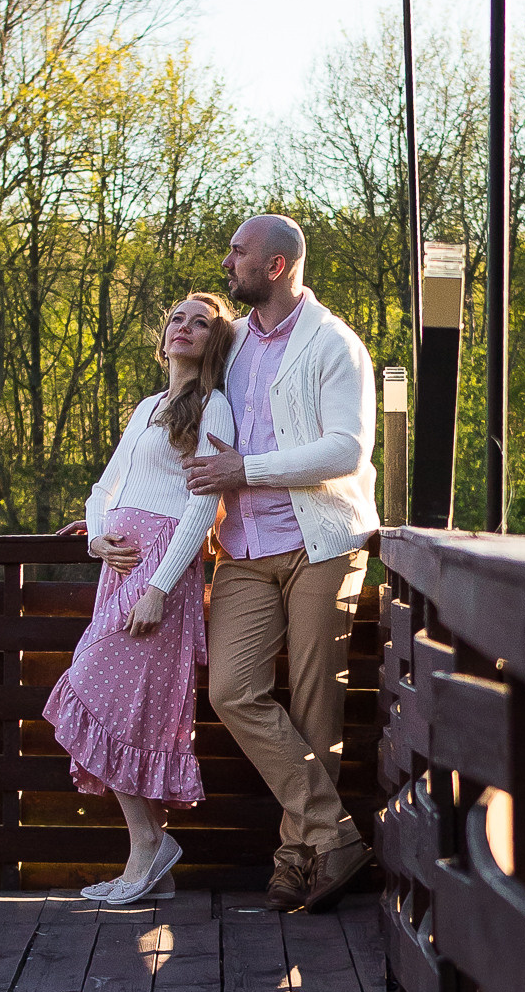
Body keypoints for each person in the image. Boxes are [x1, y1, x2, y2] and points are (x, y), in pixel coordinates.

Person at [189, 213, 379, 914]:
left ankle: (297, 860)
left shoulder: (334, 343)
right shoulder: (233, 346)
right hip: (240, 550)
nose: (228, 260)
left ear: (275, 267)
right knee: (232, 689)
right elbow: (179, 419)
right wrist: (114, 508)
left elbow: (346, 451)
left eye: (239, 252)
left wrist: (250, 468)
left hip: (319, 542)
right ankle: (334, 835)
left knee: (314, 704)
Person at [43, 291, 239, 908]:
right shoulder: (148, 406)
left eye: (200, 323)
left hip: (159, 568)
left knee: (106, 696)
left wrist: (159, 586)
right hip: (118, 567)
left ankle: (147, 850)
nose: (185, 328)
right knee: (110, 702)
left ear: (214, 343)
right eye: (177, 319)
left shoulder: (214, 407)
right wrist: (97, 533)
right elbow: (106, 485)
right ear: (164, 336)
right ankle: (151, 849)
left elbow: (203, 503)